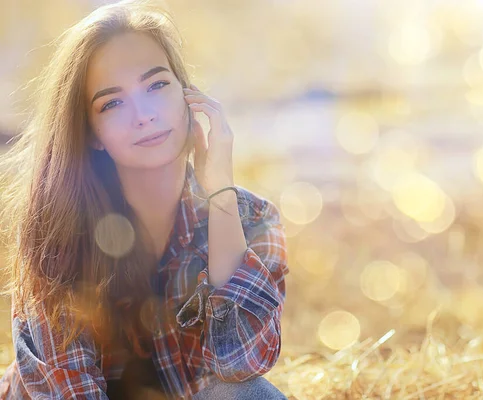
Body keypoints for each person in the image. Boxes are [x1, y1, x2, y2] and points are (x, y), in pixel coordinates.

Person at [0, 0, 289, 398]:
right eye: (112, 103)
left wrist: (220, 192)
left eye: (156, 85)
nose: (143, 114)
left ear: (189, 95)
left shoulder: (253, 219)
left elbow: (241, 365)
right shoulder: (57, 231)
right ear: (91, 134)